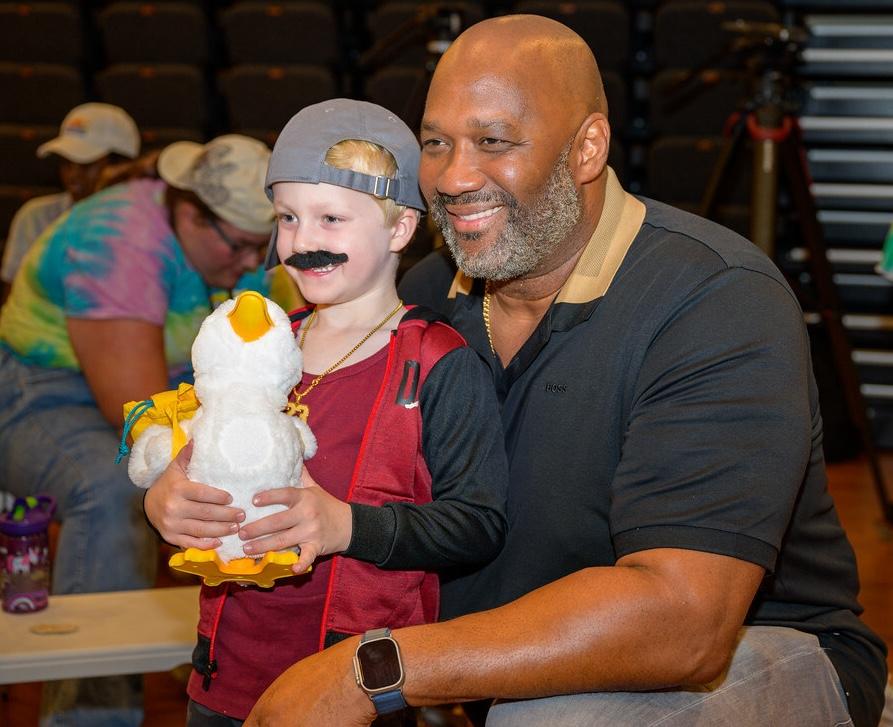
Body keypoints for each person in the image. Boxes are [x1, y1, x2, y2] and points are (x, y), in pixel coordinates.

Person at [243, 15, 889, 727]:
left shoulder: (716, 298)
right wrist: (185, 490)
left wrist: (374, 669)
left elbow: (684, 624)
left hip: (771, 650)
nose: (454, 177)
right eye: (435, 142)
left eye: (493, 141)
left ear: (586, 147)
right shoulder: (419, 296)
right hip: (493, 668)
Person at [142, 99, 508, 725]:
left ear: (399, 230)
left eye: (330, 218)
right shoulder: (255, 342)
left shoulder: (439, 363)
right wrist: (161, 498)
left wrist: (346, 527)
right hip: (222, 679)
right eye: (287, 217)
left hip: (353, 694)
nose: (302, 241)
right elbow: (183, 440)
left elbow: (477, 524)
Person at [0, 133, 278, 727]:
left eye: (265, 246)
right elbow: (137, 409)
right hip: (41, 390)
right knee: (110, 486)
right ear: (190, 214)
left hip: (174, 392)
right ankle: (90, 715)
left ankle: (237, 661)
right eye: (244, 246)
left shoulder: (228, 244)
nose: (254, 265)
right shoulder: (118, 239)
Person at [1, 103, 141, 303]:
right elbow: (12, 305)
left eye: (86, 164)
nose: (72, 175)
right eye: (66, 162)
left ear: (121, 167)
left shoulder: (147, 228)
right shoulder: (35, 216)